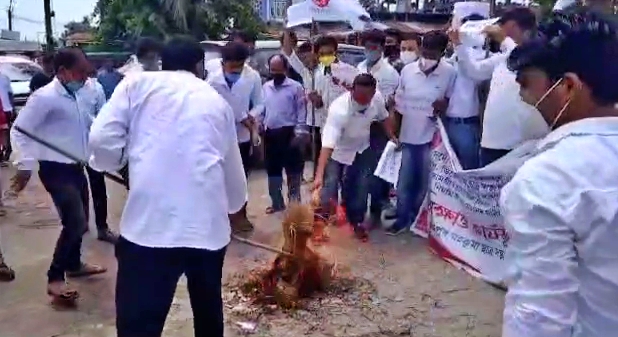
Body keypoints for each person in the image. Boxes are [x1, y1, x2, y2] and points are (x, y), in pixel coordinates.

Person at [89, 37, 246, 337]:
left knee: (139, 323)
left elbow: (100, 140)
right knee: (207, 311)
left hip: (149, 230)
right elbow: (233, 178)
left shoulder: (136, 85)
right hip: (206, 232)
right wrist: (234, 208)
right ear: (199, 66)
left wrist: (119, 164)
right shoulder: (216, 101)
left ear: (164, 63)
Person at [501, 9, 618, 337]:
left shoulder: (546, 180)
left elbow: (538, 317)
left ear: (567, 86)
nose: (524, 98)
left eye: (527, 85)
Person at [11, 47, 107, 301]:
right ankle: (55, 278)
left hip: (77, 166)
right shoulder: (44, 98)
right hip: (55, 168)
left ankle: (73, 265)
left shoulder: (80, 95)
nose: (85, 78)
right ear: (63, 72)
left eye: (87, 73)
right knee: (74, 221)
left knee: (83, 221)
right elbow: (20, 130)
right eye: (80, 73)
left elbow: (88, 125)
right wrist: (25, 163)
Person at [451, 7, 545, 167]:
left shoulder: (539, 55)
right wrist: (458, 44)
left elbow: (520, 56)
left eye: (506, 28)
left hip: (520, 146)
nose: (500, 32)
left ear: (517, 27)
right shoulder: (502, 58)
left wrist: (504, 40)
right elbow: (474, 71)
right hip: (491, 145)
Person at [314, 73, 398, 241]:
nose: (362, 100)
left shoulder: (377, 99)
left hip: (361, 149)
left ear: (374, 93)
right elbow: (327, 145)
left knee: (360, 188)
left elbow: (383, 118)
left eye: (366, 96)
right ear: (352, 91)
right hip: (337, 151)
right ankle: (319, 227)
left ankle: (357, 222)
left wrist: (392, 137)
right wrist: (318, 175)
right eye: (358, 96)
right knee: (328, 189)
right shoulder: (339, 110)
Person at [389, 30, 456, 236]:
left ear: (442, 52)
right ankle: (401, 218)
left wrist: (443, 105)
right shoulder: (408, 71)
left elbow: (451, 103)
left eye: (433, 53)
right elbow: (398, 103)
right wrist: (395, 133)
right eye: (425, 51)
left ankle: (419, 221)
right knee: (404, 181)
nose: (427, 56)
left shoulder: (449, 73)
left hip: (431, 137)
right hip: (408, 136)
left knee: (425, 182)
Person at [206, 41, 262, 233]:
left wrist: (250, 117)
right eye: (232, 67)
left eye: (240, 66)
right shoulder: (212, 81)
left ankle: (240, 216)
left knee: (240, 179)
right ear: (224, 63)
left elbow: (260, 103)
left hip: (243, 137)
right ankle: (220, 218)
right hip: (218, 137)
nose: (236, 70)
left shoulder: (252, 77)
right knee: (218, 179)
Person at [357, 29, 400, 228]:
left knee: (376, 172)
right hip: (358, 125)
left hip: (378, 127)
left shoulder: (389, 73)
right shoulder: (359, 67)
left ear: (382, 48)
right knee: (359, 170)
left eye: (374, 47)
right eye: (367, 47)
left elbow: (388, 105)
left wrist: (391, 133)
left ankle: (375, 213)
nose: (370, 51)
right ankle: (358, 211)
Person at [257, 55, 308, 213]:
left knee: (293, 171)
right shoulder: (265, 87)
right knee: (273, 171)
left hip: (290, 133)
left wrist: (299, 133)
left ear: (285, 69)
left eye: (279, 70)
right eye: (273, 70)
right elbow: (261, 109)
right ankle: (277, 203)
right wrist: (259, 124)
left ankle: (294, 203)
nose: (275, 73)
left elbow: (301, 111)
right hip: (270, 134)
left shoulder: (295, 87)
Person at [443, 14, 487, 170]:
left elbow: (473, 71)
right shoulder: (454, 54)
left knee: (469, 173)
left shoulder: (480, 56)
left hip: (466, 124)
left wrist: (458, 44)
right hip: (446, 123)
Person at [281, 32, 323, 181]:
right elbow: (288, 52)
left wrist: (318, 99)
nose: (306, 59)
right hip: (309, 120)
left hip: (323, 122)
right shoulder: (305, 73)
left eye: (308, 56)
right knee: (305, 152)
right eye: (303, 57)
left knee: (321, 156)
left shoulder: (325, 72)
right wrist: (287, 29)